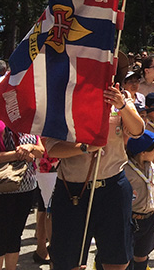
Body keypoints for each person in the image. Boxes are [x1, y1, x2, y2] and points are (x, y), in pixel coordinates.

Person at [44, 84, 144, 270]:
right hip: (73, 191)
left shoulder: (120, 100)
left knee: (117, 259)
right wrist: (84, 148)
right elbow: (52, 148)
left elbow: (138, 130)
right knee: (67, 261)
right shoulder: (62, 100)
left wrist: (122, 106)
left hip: (113, 187)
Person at [0, 115, 43, 270]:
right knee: (0, 234)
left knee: (16, 234)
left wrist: (31, 148)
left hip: (26, 187)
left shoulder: (32, 123)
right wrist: (17, 154)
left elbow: (41, 150)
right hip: (1, 189)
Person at [124, 131, 154, 270]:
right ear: (142, 151)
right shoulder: (126, 170)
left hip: (149, 217)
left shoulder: (150, 165)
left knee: (143, 255)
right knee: (127, 256)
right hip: (132, 219)